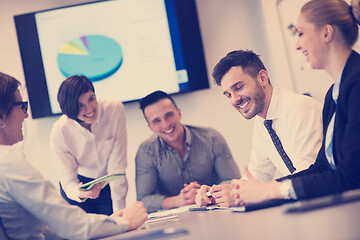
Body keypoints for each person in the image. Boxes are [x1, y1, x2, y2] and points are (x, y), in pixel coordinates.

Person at [230, 0, 360, 205]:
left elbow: (351, 176)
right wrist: (265, 189)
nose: (297, 45)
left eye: (300, 33)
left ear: (326, 33)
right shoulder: (333, 95)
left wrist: (272, 191)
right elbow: (323, 168)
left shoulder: (357, 84)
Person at [0, 72, 147, 239]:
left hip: (102, 188)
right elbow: (71, 225)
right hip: (78, 189)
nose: (26, 115)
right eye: (23, 106)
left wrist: (110, 222)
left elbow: (48, 225)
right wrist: (127, 222)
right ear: (1, 116)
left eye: (91, 99)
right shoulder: (10, 163)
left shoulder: (113, 110)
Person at [196, 49, 323, 207]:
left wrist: (246, 193)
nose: (235, 100)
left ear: (262, 78)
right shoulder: (262, 120)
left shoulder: (299, 108)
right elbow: (258, 174)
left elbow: (308, 172)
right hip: (306, 203)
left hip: (327, 201)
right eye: (228, 95)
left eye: (239, 87)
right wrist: (219, 193)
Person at [135, 90, 240, 212]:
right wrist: (177, 201)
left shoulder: (212, 138)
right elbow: (143, 200)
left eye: (169, 115)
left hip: (215, 210)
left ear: (179, 113)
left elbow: (233, 180)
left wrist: (207, 194)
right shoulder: (145, 152)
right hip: (172, 221)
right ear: (150, 127)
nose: (166, 124)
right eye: (156, 121)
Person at [50, 75, 128, 215]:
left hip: (107, 183)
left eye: (91, 99)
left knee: (113, 228)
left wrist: (120, 214)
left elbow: (117, 166)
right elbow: (68, 182)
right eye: (80, 105)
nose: (90, 109)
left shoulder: (114, 110)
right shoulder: (60, 131)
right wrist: (80, 192)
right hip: (79, 185)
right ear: (69, 109)